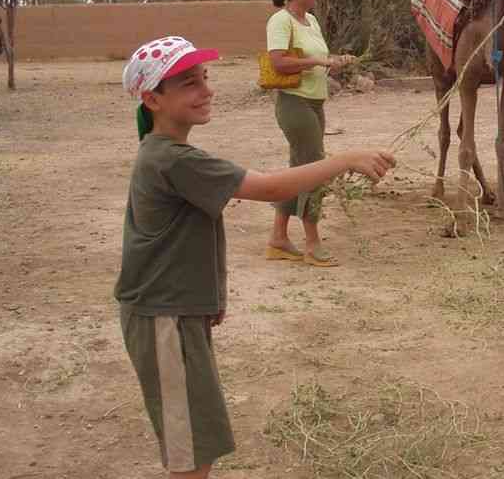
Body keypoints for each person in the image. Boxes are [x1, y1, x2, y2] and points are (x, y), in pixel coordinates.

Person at [115, 36, 394, 478]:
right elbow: (269, 188)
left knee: (198, 439)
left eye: (205, 78)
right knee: (190, 451)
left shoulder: (167, 154)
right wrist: (344, 159)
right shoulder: (173, 160)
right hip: (163, 318)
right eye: (189, 83)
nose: (206, 90)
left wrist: (208, 301)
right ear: (152, 99)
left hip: (176, 313)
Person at [265, 0, 356, 266]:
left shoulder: (312, 21)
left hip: (315, 103)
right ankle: (313, 243)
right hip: (294, 103)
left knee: (299, 169)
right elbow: (278, 63)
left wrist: (334, 61)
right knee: (314, 170)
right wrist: (316, 60)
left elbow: (317, 59)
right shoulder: (280, 21)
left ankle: (278, 239)